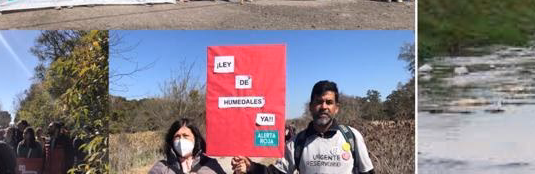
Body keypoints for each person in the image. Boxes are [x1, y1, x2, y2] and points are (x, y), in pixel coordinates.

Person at [231, 81, 373, 174]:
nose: (324, 107)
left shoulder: (352, 136)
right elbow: (274, 173)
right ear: (311, 107)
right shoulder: (296, 142)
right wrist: (251, 167)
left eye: (329, 102)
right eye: (318, 102)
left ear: (336, 108)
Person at [149, 118, 226, 174]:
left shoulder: (210, 164)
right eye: (177, 136)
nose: (181, 140)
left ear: (195, 139)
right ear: (171, 140)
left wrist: (237, 171)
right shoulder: (161, 167)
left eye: (185, 136)